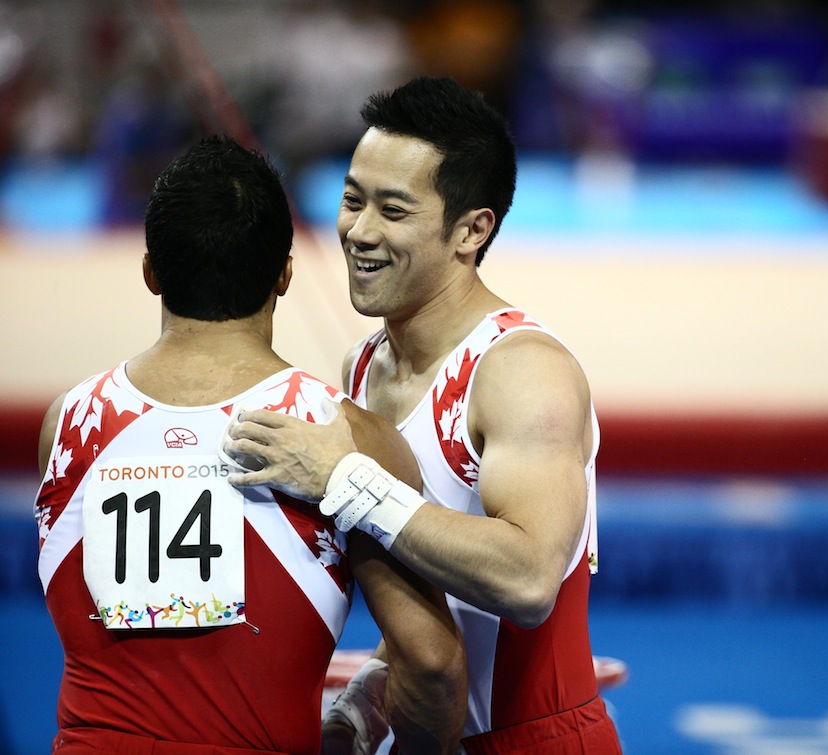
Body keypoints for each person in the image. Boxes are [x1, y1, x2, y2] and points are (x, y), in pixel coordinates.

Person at [221, 76, 622, 753]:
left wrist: (344, 479)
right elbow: (430, 592)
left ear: (471, 229)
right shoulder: (361, 367)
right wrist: (365, 700)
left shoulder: (520, 370)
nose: (359, 231)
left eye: (394, 210)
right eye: (352, 200)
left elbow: (525, 581)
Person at [33, 135, 466, 755]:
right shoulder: (346, 437)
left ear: (151, 271)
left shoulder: (67, 425)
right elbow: (429, 666)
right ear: (285, 274)